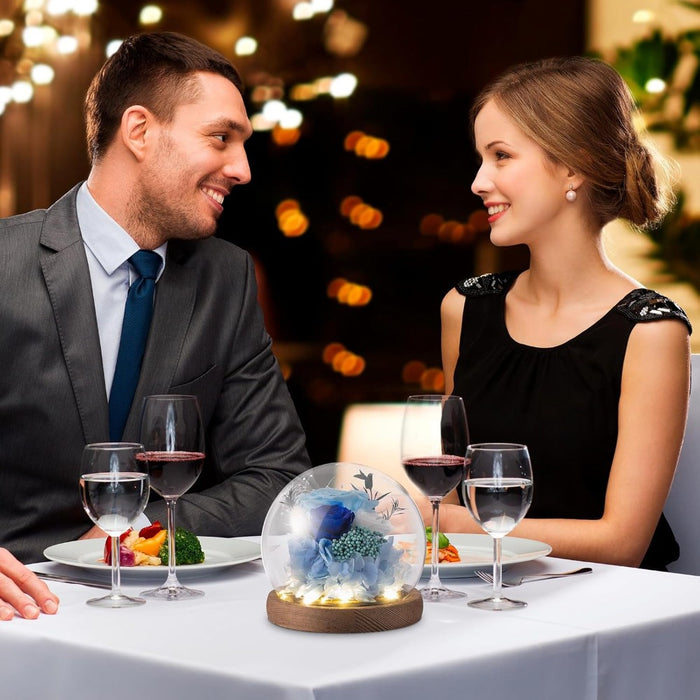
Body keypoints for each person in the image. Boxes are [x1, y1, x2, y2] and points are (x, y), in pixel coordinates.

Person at [0, 32, 310, 616]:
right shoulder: (3, 265)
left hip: (174, 616)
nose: (242, 169)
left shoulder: (227, 276)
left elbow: (276, 476)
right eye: (222, 138)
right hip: (17, 617)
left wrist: (140, 531)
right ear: (139, 130)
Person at [436, 56, 692, 570]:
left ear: (573, 165)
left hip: (610, 613)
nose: (478, 182)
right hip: (483, 595)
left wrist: (457, 524)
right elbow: (450, 488)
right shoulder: (463, 308)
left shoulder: (651, 331)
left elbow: (622, 543)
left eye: (501, 156)